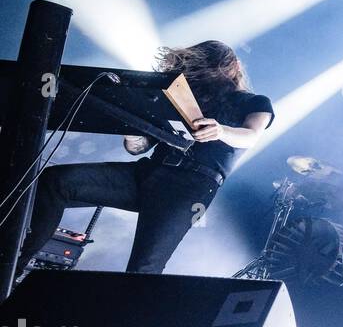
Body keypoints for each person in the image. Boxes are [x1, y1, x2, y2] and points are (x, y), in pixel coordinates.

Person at [19, 41, 274, 275]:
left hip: (189, 187)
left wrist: (220, 130)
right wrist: (134, 134)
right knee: (56, 181)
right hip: (147, 172)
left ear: (234, 68)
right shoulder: (183, 98)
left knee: (144, 268)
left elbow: (251, 135)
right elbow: (139, 146)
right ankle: (15, 267)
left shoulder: (255, 102)